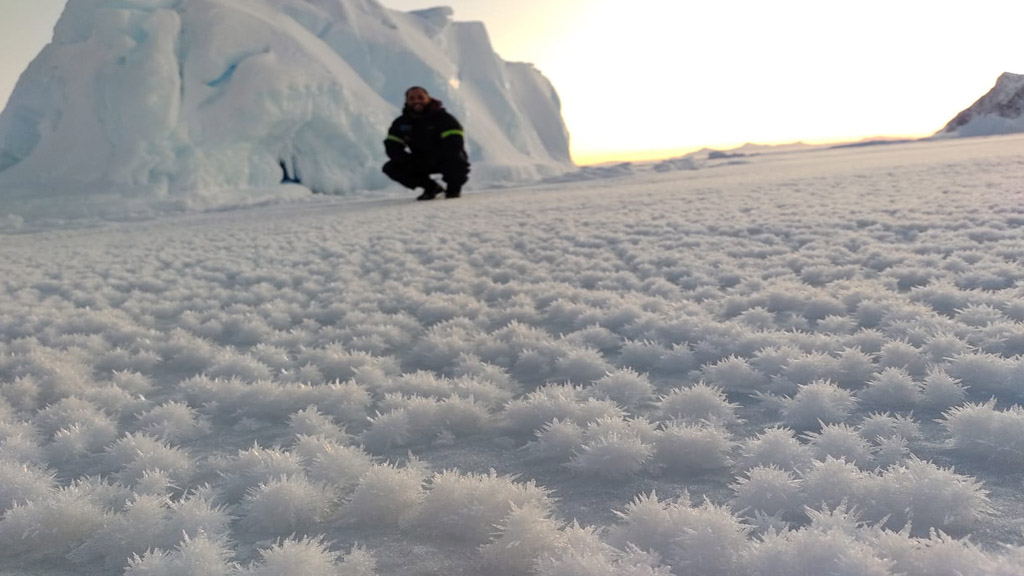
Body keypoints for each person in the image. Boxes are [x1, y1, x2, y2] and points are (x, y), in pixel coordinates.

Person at [383, 86, 470, 200]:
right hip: (420, 160)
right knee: (391, 167)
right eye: (412, 98)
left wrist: (438, 156)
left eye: (420, 97)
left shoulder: (444, 119)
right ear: (407, 101)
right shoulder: (401, 123)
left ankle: (453, 188)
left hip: (444, 158)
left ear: (428, 99)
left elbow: (455, 143)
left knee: (456, 158)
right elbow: (392, 146)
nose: (416, 101)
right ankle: (431, 187)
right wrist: (407, 159)